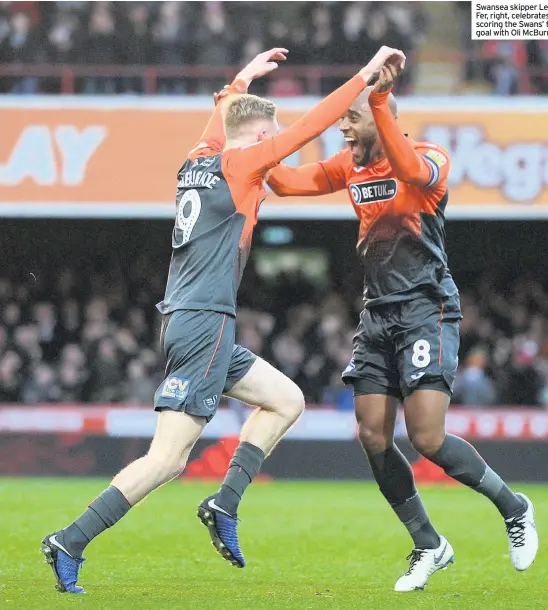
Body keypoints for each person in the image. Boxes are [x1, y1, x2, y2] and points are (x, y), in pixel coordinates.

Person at [40, 45, 402, 594]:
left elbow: (223, 121)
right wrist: (365, 76)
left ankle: (224, 502)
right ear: (259, 139)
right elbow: (311, 126)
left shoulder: (198, 159)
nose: (275, 146)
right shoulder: (242, 163)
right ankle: (70, 540)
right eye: (270, 136)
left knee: (287, 400)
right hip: (206, 323)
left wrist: (238, 82)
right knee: (166, 459)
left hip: (194, 320)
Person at [265, 61, 538, 592]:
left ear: (380, 115)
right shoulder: (349, 166)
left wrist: (382, 99)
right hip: (378, 313)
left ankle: (514, 508)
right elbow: (285, 182)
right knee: (371, 434)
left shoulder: (429, 158)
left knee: (427, 437)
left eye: (351, 117)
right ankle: (428, 544)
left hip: (426, 308)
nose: (342, 127)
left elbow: (413, 172)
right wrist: (257, 143)